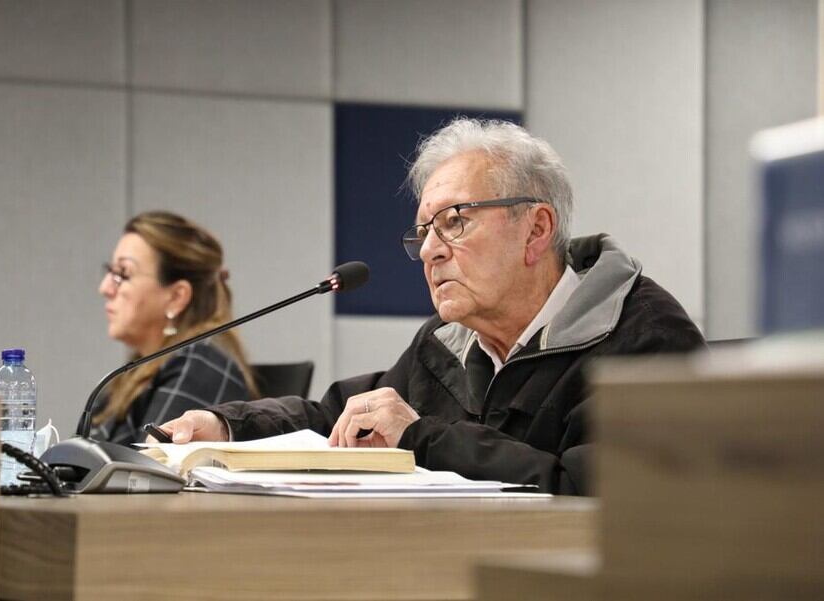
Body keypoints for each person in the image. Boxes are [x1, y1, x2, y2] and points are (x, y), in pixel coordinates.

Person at [156, 118, 705, 494]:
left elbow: (589, 491)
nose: (429, 250)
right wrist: (226, 426)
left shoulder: (643, 335)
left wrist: (422, 437)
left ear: (536, 229)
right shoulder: (446, 343)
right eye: (423, 231)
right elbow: (338, 418)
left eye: (455, 221)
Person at [92, 210, 258, 445]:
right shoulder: (134, 371)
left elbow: (150, 471)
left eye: (123, 274)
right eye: (110, 272)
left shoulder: (200, 364)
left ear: (176, 297)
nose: (105, 288)